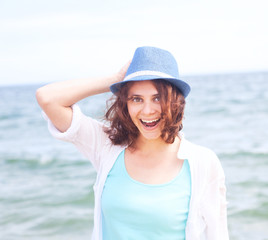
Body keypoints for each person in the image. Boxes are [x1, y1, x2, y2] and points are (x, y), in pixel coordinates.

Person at [36, 46, 229, 240]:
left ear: (175, 101)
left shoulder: (202, 162)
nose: (147, 110)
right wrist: (113, 81)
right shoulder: (106, 146)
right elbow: (48, 99)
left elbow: (218, 233)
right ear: (125, 104)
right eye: (137, 99)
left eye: (158, 98)